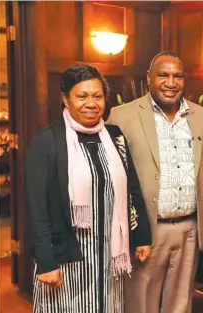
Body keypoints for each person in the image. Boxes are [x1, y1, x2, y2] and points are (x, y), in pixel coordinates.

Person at [26, 64, 152, 313]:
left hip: (109, 254)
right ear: (65, 99)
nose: (90, 103)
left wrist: (143, 236)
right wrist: (46, 261)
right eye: (81, 96)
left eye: (97, 96)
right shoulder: (47, 141)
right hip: (67, 257)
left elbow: (132, 189)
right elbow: (37, 206)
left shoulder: (115, 136)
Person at [107, 51, 203, 313]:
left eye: (178, 76)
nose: (171, 82)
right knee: (142, 303)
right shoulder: (121, 116)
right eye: (163, 75)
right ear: (149, 78)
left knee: (180, 304)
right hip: (147, 231)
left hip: (189, 228)